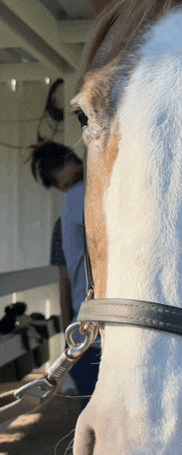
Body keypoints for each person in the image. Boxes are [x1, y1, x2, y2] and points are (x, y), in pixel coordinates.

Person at [28, 141, 100, 408]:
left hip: (93, 331)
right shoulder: (74, 208)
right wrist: (73, 342)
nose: (78, 188)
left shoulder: (77, 202)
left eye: (79, 179)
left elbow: (64, 282)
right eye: (70, 185)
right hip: (93, 333)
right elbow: (64, 280)